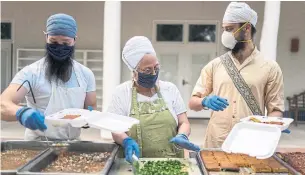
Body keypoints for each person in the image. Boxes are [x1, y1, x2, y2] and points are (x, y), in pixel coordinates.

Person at [189, 2, 285, 148]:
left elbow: (276, 110)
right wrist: (204, 101)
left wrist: (273, 126)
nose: (225, 35)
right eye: (224, 30)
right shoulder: (215, 65)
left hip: (251, 141)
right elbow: (192, 103)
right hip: (217, 142)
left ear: (246, 28)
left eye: (230, 29)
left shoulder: (270, 68)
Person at [0, 13, 96, 141]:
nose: (60, 47)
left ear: (74, 40)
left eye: (66, 43)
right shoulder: (31, 73)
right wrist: (21, 113)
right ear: (46, 37)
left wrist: (88, 118)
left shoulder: (85, 74)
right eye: (54, 42)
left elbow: (91, 106)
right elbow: (3, 105)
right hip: (37, 144)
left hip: (72, 145)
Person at [107, 36, 200, 163]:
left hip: (172, 162)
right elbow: (116, 129)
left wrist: (182, 135)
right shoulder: (121, 93)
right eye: (147, 70)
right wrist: (126, 141)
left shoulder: (170, 89)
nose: (153, 73)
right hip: (136, 164)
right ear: (134, 72)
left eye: (156, 68)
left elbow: (184, 122)